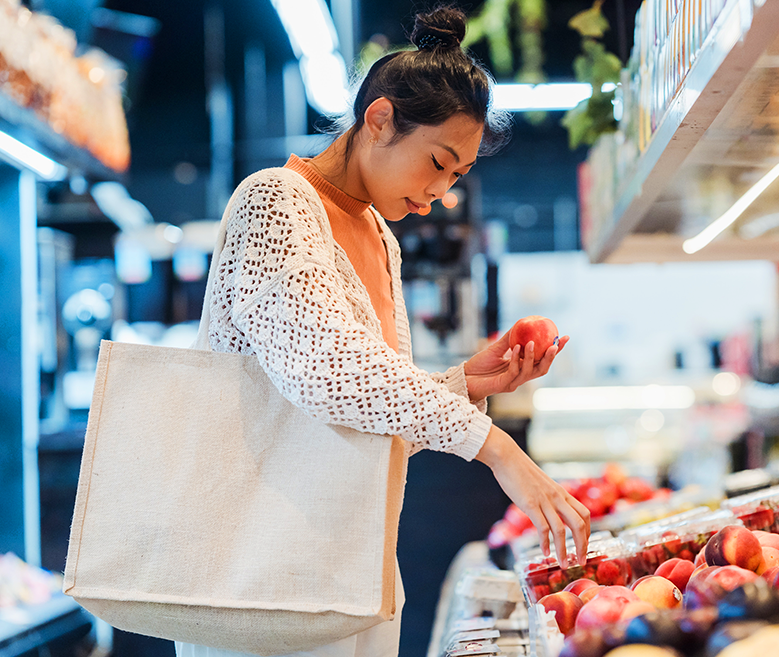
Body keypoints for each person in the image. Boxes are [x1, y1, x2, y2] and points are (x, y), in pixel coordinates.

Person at [177, 6, 590, 656]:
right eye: (438, 162)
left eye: (457, 175)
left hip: (356, 573)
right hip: (260, 586)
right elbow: (328, 372)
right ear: (379, 120)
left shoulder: (380, 236)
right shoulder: (275, 202)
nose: (441, 192)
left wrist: (463, 383)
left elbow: (360, 422)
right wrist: (497, 448)